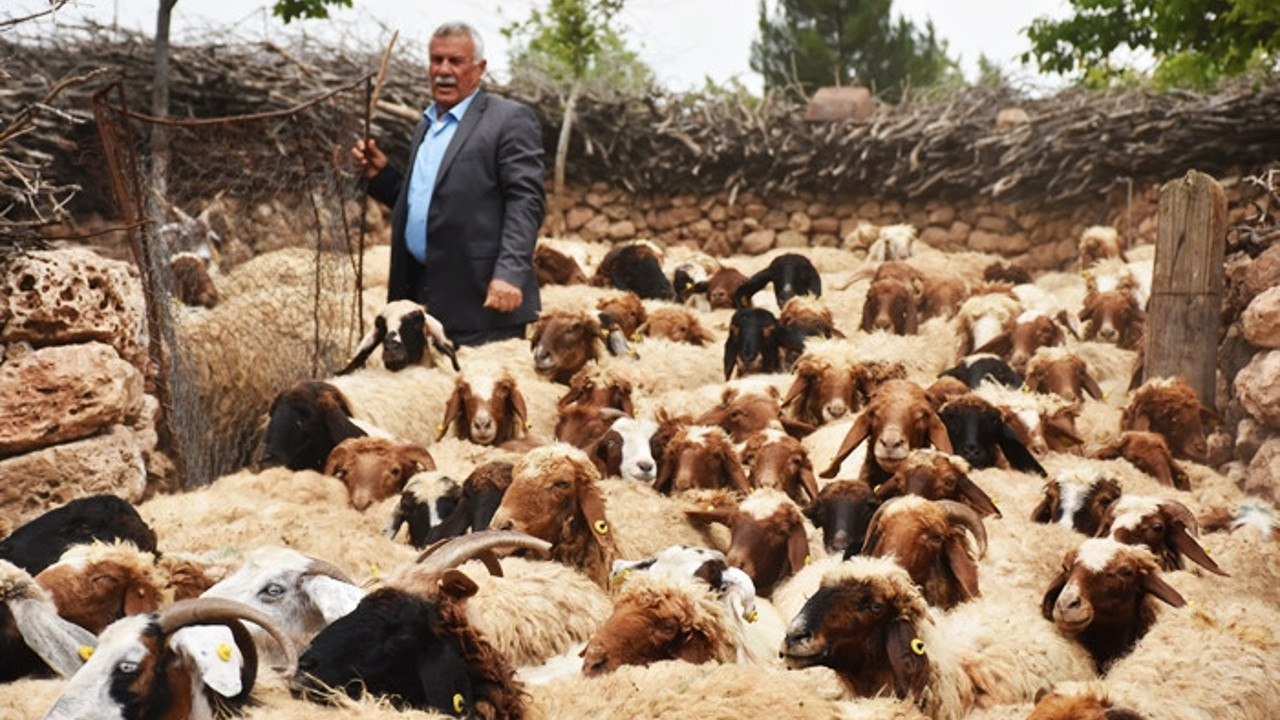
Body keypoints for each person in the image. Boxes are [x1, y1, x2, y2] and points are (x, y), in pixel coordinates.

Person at [351, 21, 546, 347]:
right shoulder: (426, 126)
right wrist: (380, 176)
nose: (443, 70)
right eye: (436, 60)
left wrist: (510, 273)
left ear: (479, 68)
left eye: (455, 61)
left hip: (483, 304)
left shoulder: (508, 120)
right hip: (421, 305)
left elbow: (526, 201)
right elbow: (427, 204)